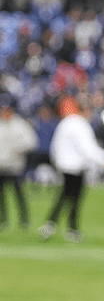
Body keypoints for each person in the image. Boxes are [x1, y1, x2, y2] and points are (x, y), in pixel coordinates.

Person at [38, 96, 104, 242]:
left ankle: (51, 226)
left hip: (64, 166)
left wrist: (57, 163)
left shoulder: (65, 123)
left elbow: (54, 146)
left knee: (65, 197)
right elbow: (88, 149)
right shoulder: (80, 124)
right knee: (74, 199)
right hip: (76, 167)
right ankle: (71, 229)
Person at [0, 95, 37, 231]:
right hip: (1, 166)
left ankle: (24, 221)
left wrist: (18, 149)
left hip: (15, 166)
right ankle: (3, 220)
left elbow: (32, 142)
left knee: (19, 195)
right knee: (1, 197)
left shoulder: (20, 124)